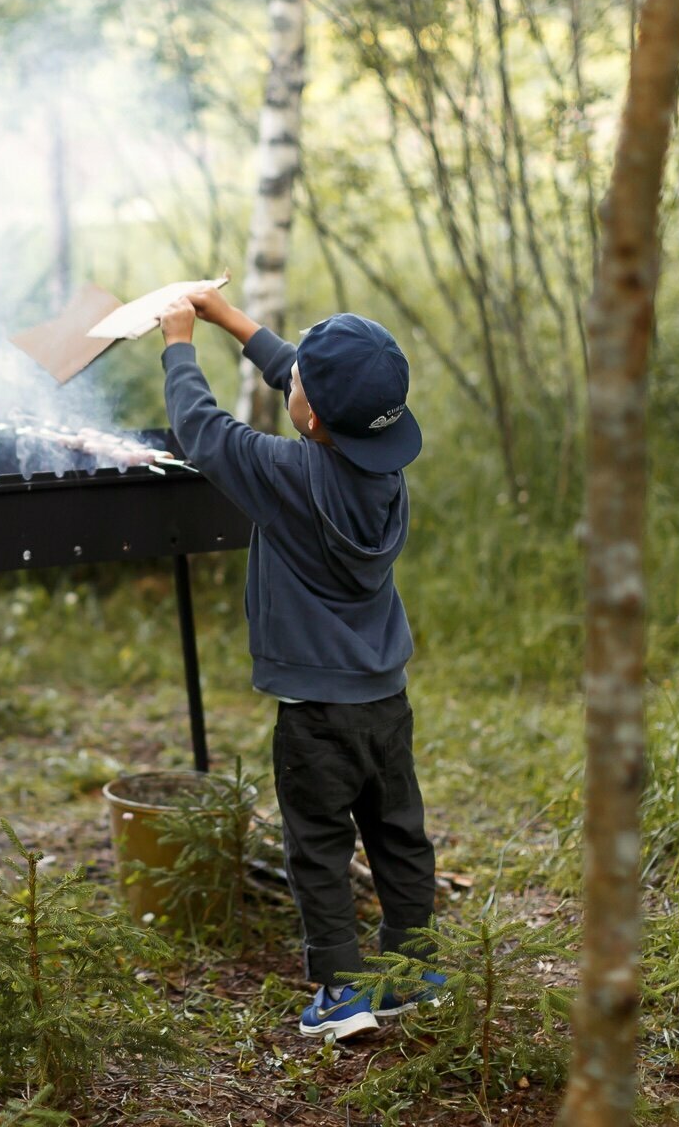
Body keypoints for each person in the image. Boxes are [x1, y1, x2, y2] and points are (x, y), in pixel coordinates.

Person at [156, 286, 443, 1040]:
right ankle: (415, 970)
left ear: (311, 417)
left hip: (315, 714)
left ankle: (342, 994)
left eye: (301, 386)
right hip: (384, 699)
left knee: (317, 846)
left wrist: (180, 344)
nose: (293, 381)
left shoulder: (286, 476)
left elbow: (203, 432)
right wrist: (231, 320)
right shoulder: (382, 469)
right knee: (398, 833)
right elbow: (306, 377)